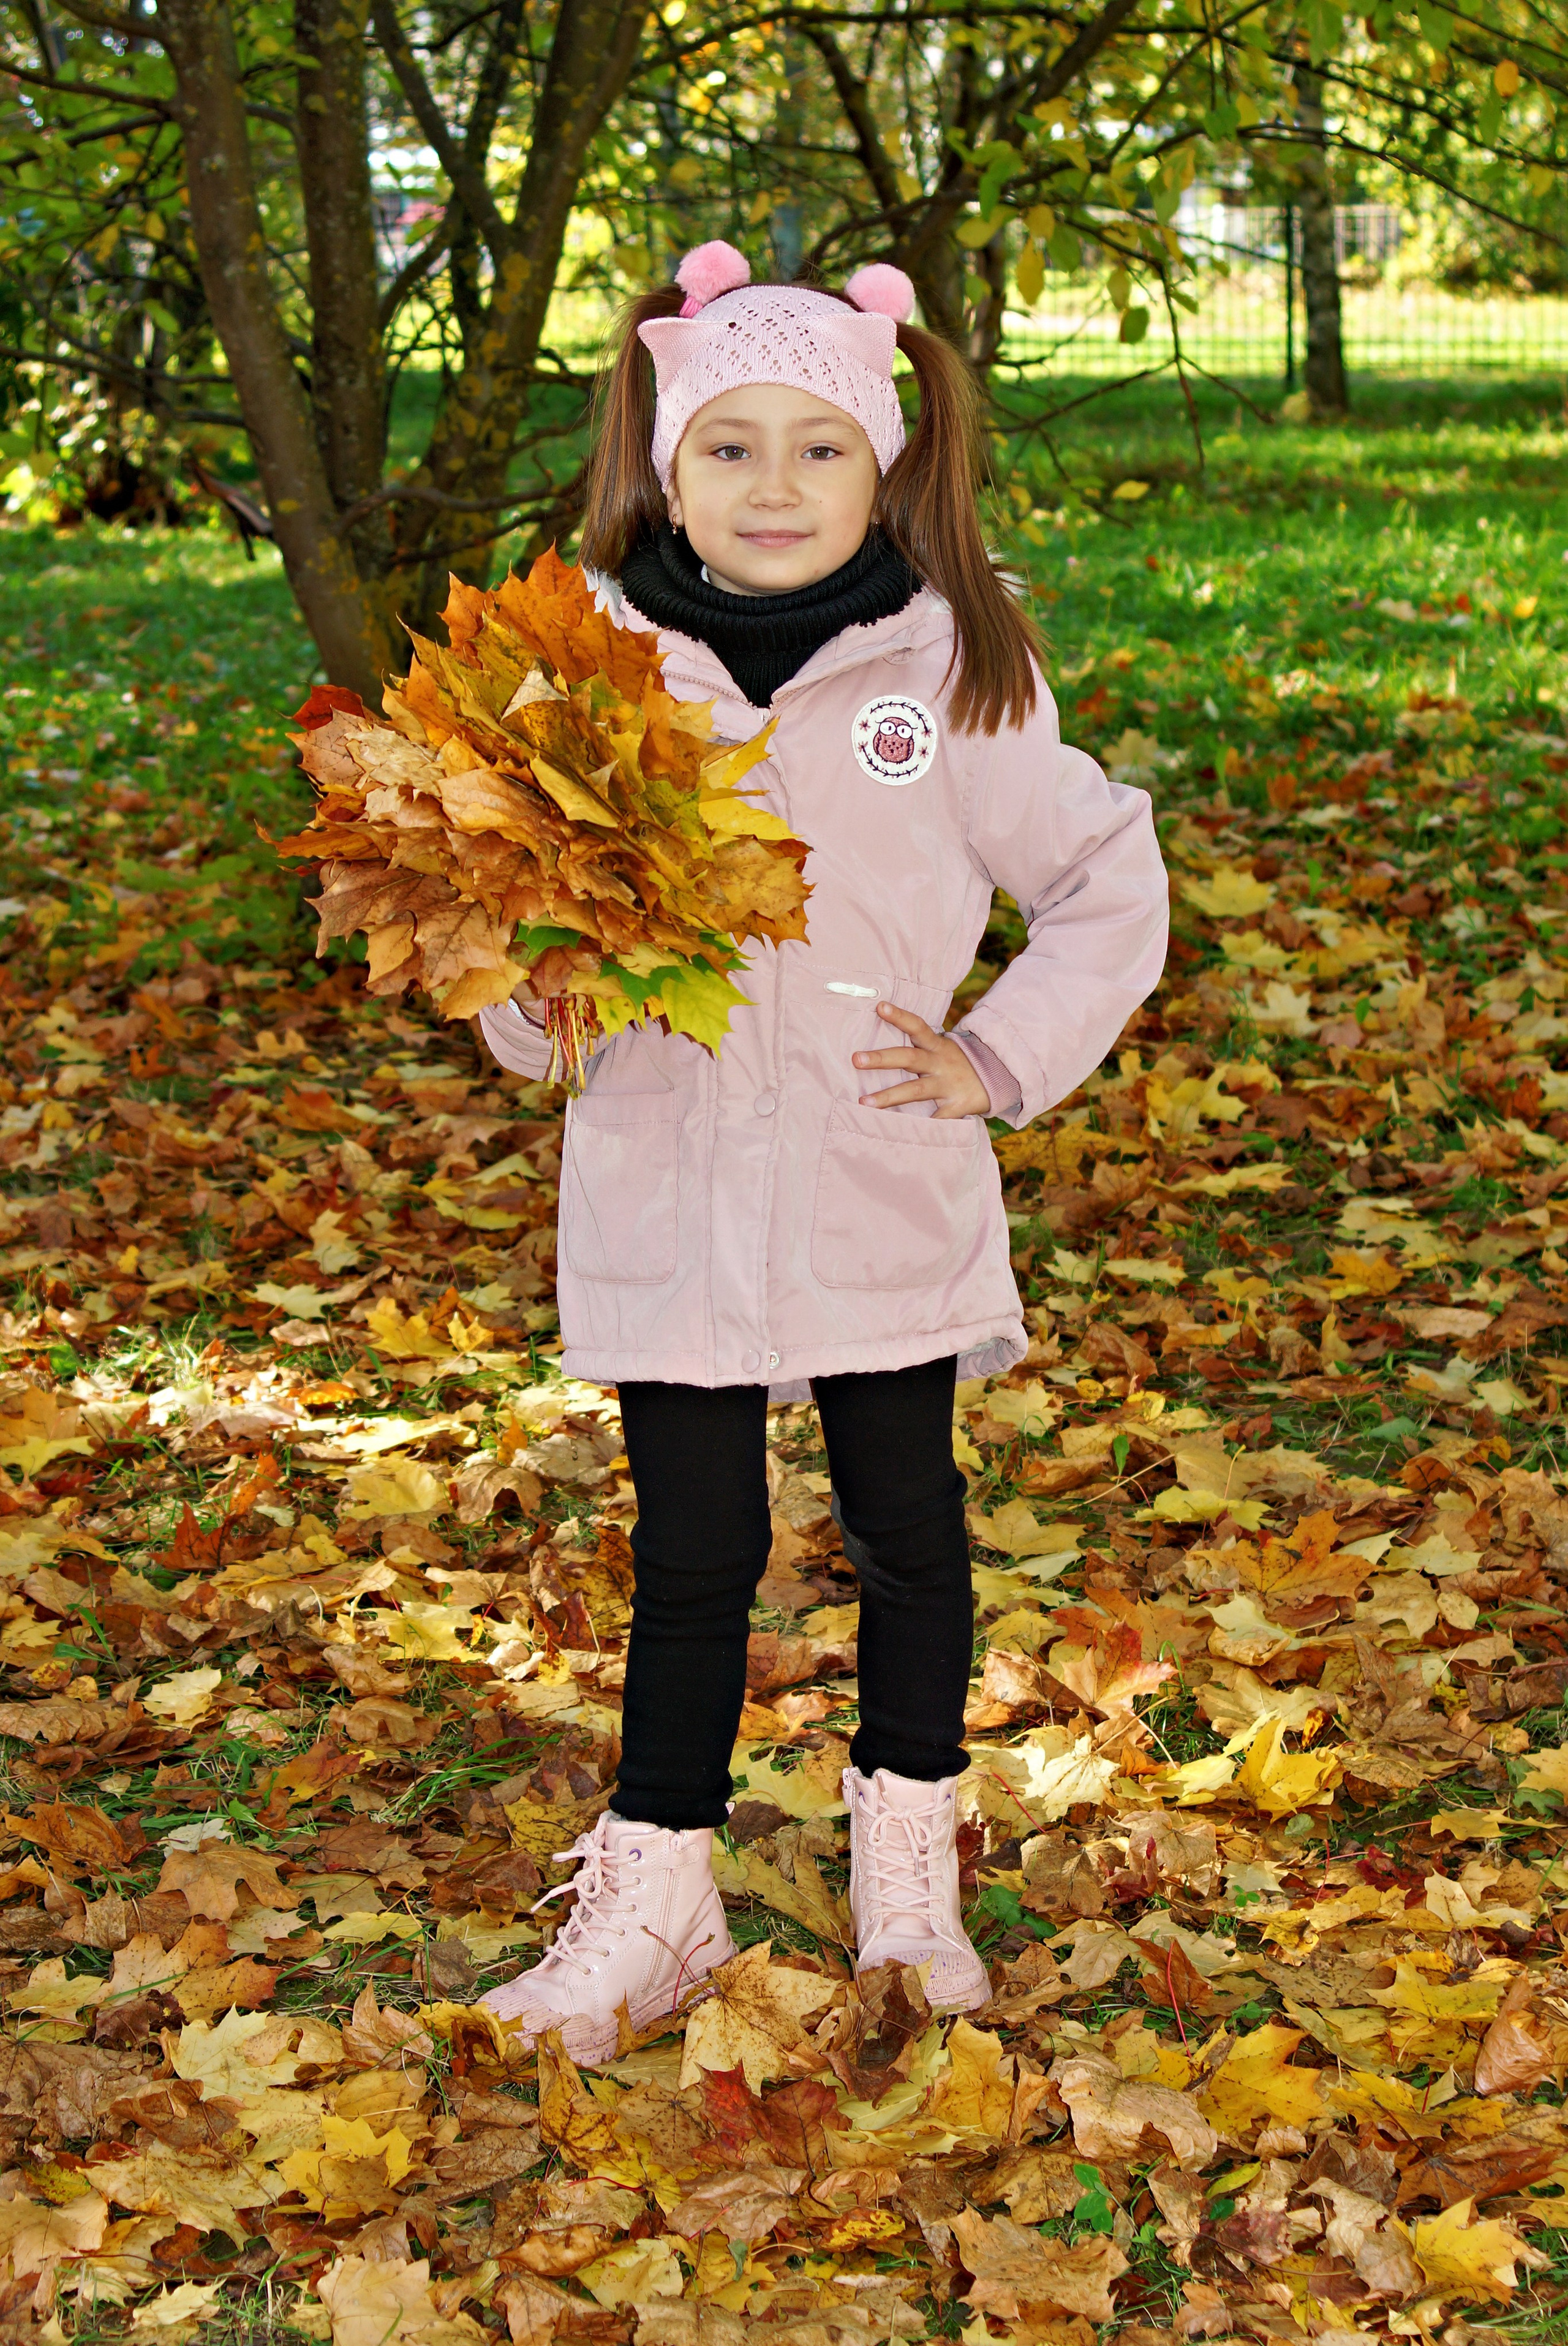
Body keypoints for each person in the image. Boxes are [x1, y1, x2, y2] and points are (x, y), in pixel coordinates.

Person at [475, 241, 1169, 2063]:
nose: (771, 488)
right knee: (696, 1546)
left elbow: (1106, 882)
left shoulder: (945, 666)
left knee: (907, 1527)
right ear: (662, 462)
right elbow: (506, 918)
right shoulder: (590, 666)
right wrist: (531, 1011)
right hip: (667, 1176)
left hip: (878, 1178)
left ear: (883, 463)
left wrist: (1002, 1056)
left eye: (817, 449)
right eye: (729, 448)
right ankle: (662, 1888)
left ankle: (907, 1854)